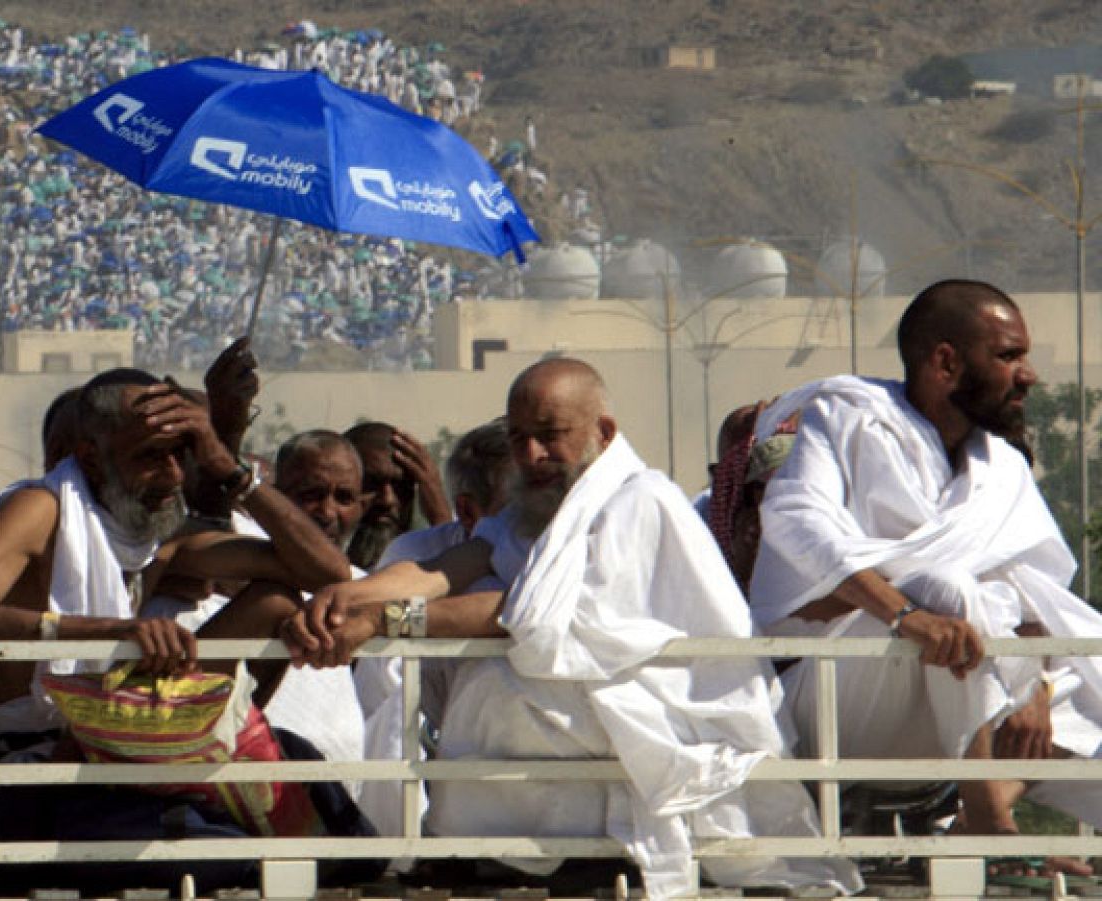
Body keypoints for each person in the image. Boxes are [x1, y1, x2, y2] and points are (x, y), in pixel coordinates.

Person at [286, 358, 860, 900]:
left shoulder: (641, 500)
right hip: (550, 733)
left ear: (602, 431)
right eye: (517, 438)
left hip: (651, 710)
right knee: (487, 686)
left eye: (550, 434)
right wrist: (350, 595)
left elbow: (532, 617)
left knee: (503, 684)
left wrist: (384, 622)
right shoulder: (530, 511)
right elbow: (452, 565)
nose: (532, 454)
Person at [0, 366, 353, 883]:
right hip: (25, 764)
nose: (170, 476)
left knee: (277, 603)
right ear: (92, 459)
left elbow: (330, 572)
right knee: (224, 853)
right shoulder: (39, 508)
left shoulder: (161, 538)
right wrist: (108, 632)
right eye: (149, 457)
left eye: (179, 456)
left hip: (119, 747)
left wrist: (226, 465)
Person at [750, 279, 1102, 872]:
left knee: (1085, 682)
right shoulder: (847, 421)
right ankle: (991, 813)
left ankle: (979, 808)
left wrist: (1036, 690)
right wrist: (907, 616)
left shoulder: (1002, 469)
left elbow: (1035, 594)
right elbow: (797, 519)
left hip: (964, 697)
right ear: (946, 362)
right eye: (1010, 356)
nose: (1029, 374)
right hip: (841, 700)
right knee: (949, 586)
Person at [354, 417, 513, 837]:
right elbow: (388, 698)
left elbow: (524, 614)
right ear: (468, 510)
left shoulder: (561, 548)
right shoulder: (413, 555)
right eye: (517, 504)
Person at [342, 421, 450, 569]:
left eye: (401, 486)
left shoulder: (420, 566)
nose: (387, 500)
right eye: (371, 484)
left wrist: (441, 518)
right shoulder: (309, 567)